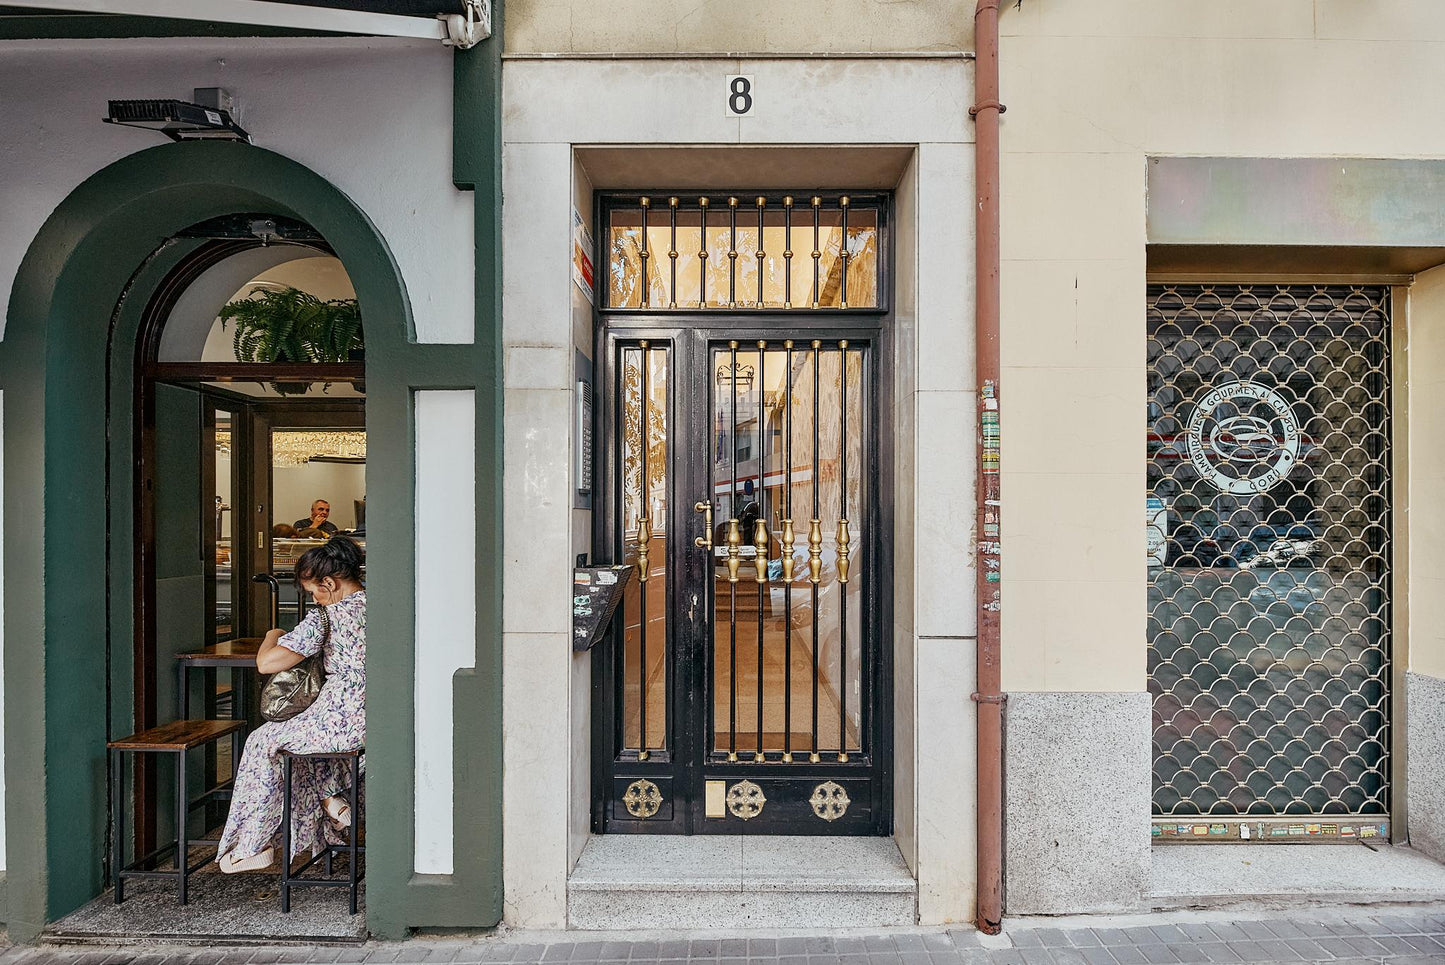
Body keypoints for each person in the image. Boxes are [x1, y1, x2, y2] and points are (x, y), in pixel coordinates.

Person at [216, 537, 366, 873]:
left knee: (263, 741)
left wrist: (272, 632)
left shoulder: (326, 618)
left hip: (340, 717)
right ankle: (333, 800)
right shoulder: (380, 606)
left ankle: (253, 844)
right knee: (299, 741)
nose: (314, 598)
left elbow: (268, 663)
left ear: (330, 583)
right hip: (373, 717)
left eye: (314, 591)